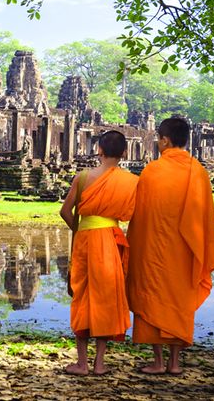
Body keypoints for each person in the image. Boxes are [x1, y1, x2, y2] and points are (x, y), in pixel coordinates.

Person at [126, 117, 214, 374]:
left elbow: (141, 216)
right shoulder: (198, 172)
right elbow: (205, 217)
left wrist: (134, 247)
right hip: (185, 251)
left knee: (152, 299)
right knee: (178, 301)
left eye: (159, 139)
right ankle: (174, 363)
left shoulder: (152, 171)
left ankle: (158, 362)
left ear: (165, 140)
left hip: (154, 249)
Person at [59, 130, 139, 376]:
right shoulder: (131, 181)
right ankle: (99, 364)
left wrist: (82, 228)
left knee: (82, 295)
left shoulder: (83, 177)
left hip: (85, 240)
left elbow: (65, 211)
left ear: (99, 150)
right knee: (106, 297)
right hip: (110, 240)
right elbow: (132, 214)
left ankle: (81, 363)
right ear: (125, 153)